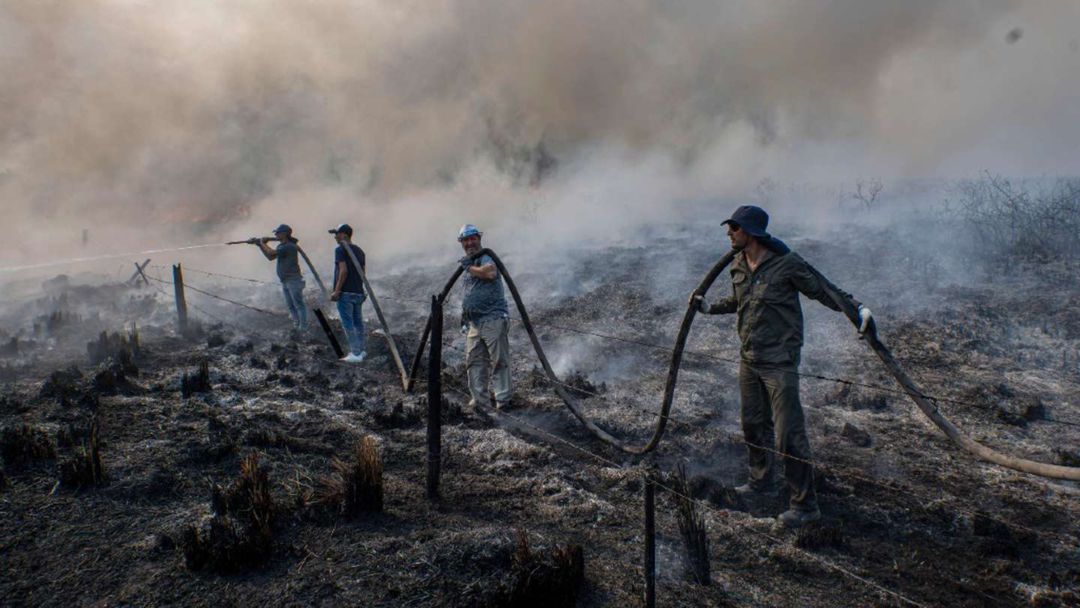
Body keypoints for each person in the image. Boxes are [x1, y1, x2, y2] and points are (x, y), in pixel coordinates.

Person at [692, 205, 874, 528]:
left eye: (734, 228)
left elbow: (822, 290)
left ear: (750, 232)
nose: (728, 233)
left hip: (779, 363)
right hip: (749, 359)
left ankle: (805, 506)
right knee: (752, 424)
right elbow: (738, 301)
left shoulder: (787, 265)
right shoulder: (738, 263)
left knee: (789, 434)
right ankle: (762, 481)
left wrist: (857, 310)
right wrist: (709, 308)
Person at [457, 224, 512, 410]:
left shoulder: (485, 256)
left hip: (493, 318)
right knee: (474, 362)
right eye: (466, 240)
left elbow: (489, 273)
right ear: (461, 243)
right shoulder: (471, 262)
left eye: (473, 238)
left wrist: (470, 268)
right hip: (474, 323)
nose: (470, 242)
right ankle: (480, 401)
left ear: (479, 239)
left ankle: (503, 401)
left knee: (499, 361)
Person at [255, 224, 307, 331]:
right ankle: (297, 325)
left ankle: (303, 328)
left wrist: (262, 242)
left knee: (298, 305)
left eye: (278, 233)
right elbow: (270, 257)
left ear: (285, 234)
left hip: (294, 280)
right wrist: (260, 245)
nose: (276, 235)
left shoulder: (288, 246)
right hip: (285, 281)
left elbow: (270, 252)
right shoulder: (282, 246)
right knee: (291, 306)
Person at [329, 223, 367, 363]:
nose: (335, 237)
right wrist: (360, 289)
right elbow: (362, 272)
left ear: (344, 234)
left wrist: (337, 291)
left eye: (337, 233)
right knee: (358, 323)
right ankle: (361, 351)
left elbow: (343, 271)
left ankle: (355, 353)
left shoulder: (340, 249)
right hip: (357, 292)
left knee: (348, 324)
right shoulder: (360, 250)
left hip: (345, 293)